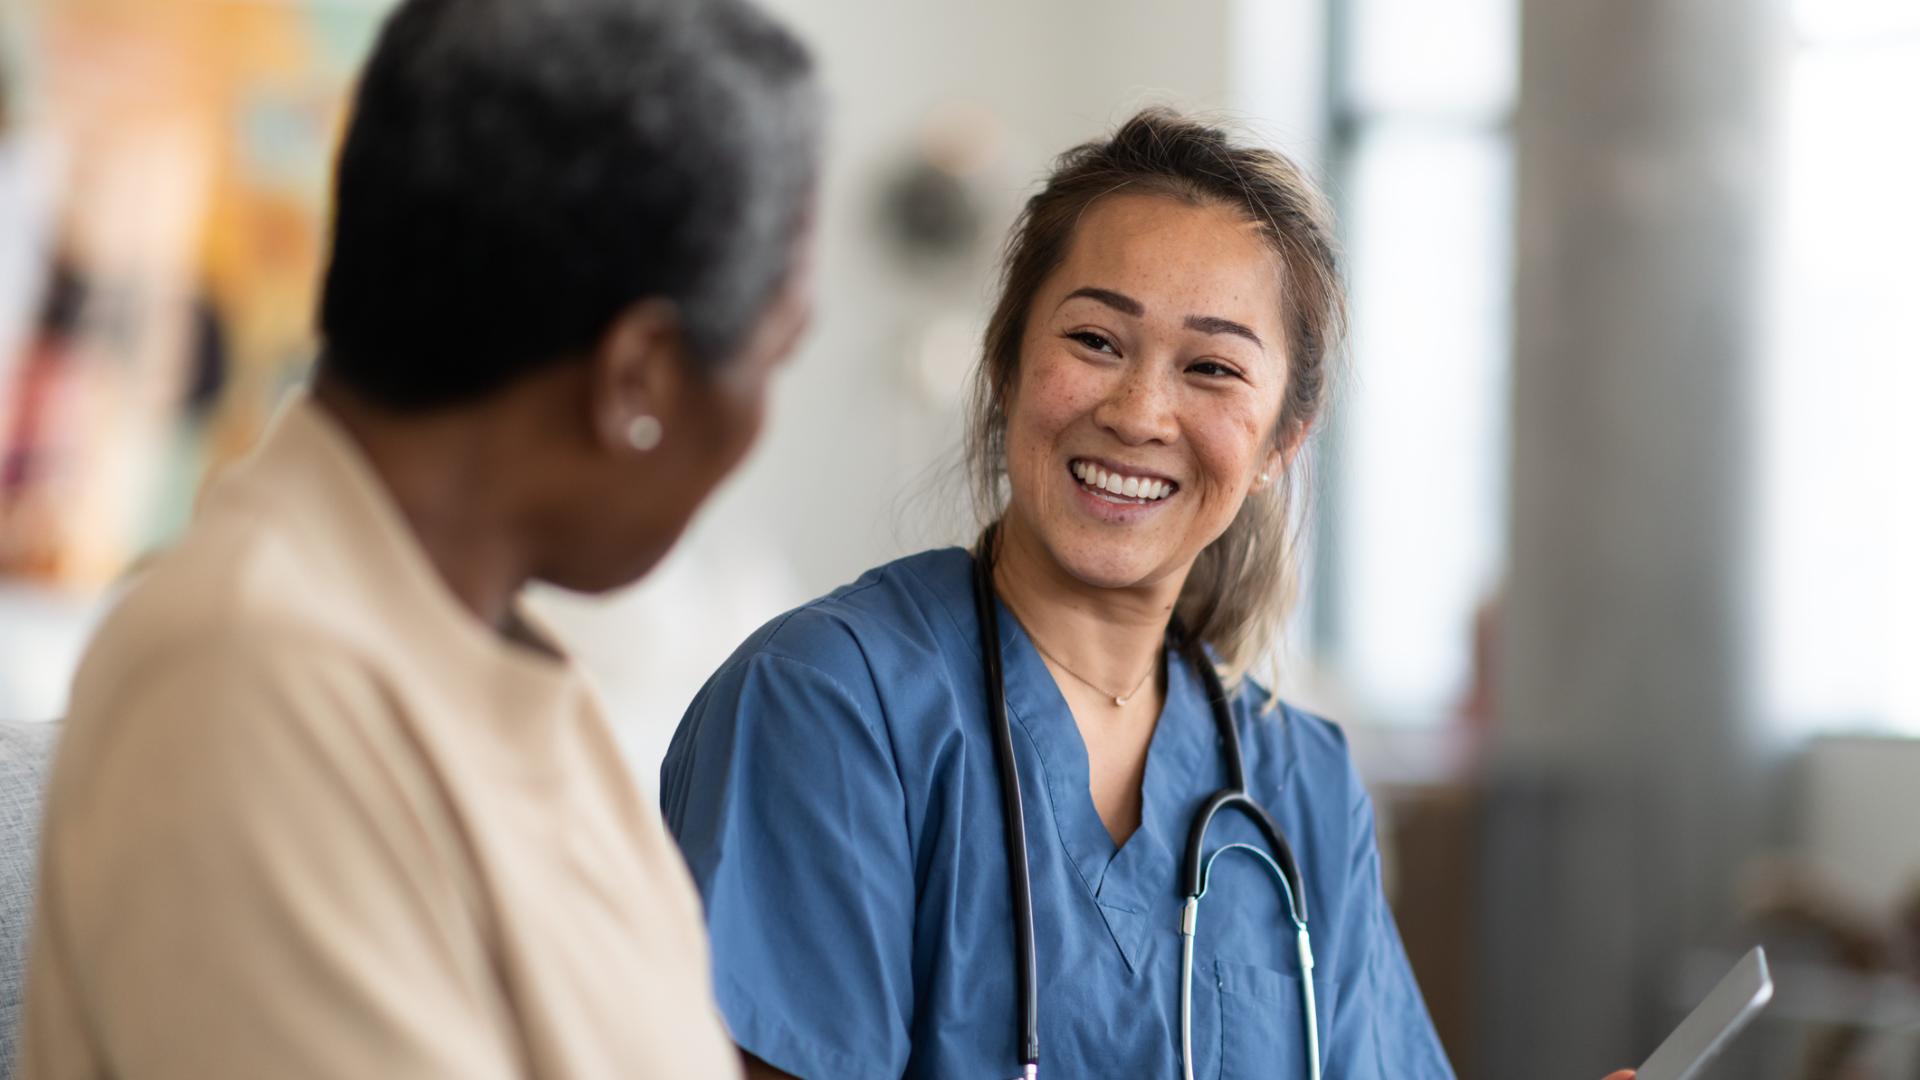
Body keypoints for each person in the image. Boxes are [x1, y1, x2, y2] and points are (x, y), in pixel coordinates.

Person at [662, 110, 1637, 1080]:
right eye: (1095, 340)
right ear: (1005, 365)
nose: (1137, 413)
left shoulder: (1299, 782)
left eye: (1212, 367)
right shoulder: (828, 704)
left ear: (1279, 444)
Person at [18, 0, 818, 1076]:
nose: (764, 424)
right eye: (774, 356)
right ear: (642, 379)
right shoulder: (249, 679)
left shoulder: (500, 666)